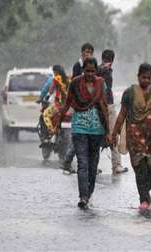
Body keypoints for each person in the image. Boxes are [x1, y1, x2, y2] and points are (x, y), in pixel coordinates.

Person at [112, 63, 151, 210]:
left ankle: (146, 191)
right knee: (140, 168)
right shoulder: (129, 93)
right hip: (135, 137)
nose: (146, 80)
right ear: (138, 77)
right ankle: (143, 198)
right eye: (143, 77)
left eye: (149, 78)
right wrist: (114, 133)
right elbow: (122, 114)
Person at [58, 57, 110, 209]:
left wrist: (108, 131)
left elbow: (104, 106)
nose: (89, 73)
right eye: (87, 70)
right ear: (83, 70)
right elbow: (67, 102)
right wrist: (58, 123)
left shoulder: (101, 83)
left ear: (96, 71)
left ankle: (89, 192)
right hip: (79, 128)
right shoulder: (75, 83)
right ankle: (83, 197)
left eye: (93, 71)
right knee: (82, 163)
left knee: (93, 165)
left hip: (97, 130)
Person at [61, 43, 95, 173]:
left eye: (90, 52)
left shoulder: (91, 65)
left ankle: (86, 165)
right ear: (82, 52)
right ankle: (68, 161)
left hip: (89, 104)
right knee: (80, 134)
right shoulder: (78, 66)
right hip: (80, 105)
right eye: (86, 52)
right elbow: (76, 84)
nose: (88, 54)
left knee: (86, 134)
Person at [97, 49, 128, 175]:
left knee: (97, 135)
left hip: (97, 106)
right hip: (108, 106)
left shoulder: (97, 69)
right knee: (113, 134)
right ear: (113, 59)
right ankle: (116, 165)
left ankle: (93, 166)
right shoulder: (105, 70)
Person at [42, 65, 69, 134]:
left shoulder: (56, 79)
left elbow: (50, 91)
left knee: (45, 115)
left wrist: (46, 97)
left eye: (54, 72)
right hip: (69, 105)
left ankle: (52, 131)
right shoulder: (68, 78)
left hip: (59, 105)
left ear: (56, 72)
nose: (54, 73)